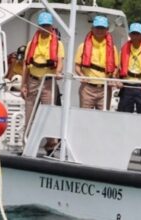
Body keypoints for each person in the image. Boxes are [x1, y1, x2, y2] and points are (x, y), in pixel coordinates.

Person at [21, 12, 65, 155]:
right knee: (29, 115)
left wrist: (58, 72)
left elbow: (60, 62)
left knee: (49, 114)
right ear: (38, 26)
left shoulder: (58, 44)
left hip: (48, 82)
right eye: (43, 25)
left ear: (51, 26)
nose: (45, 27)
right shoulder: (31, 44)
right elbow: (26, 65)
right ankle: (26, 145)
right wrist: (23, 85)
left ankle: (51, 146)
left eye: (47, 25)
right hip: (33, 80)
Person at [75, 15, 119, 110]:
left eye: (102, 28)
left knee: (103, 118)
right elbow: (77, 66)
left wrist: (113, 77)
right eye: (97, 28)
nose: (100, 30)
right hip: (87, 88)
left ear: (107, 29)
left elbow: (115, 67)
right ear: (92, 28)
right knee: (84, 117)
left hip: (105, 89)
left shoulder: (113, 48)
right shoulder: (82, 46)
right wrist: (81, 75)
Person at [117, 22, 141, 113]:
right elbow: (118, 67)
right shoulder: (123, 50)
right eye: (133, 33)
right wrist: (118, 80)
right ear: (129, 35)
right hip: (127, 85)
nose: (135, 36)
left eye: (138, 34)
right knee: (123, 114)